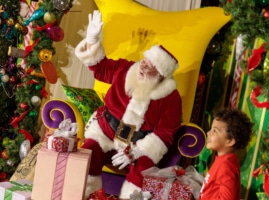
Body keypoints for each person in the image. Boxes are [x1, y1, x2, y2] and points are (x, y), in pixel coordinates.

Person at [74, 10, 182, 198]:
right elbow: (99, 68)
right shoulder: (125, 69)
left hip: (137, 145)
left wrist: (136, 152)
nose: (143, 67)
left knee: (142, 174)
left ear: (161, 77)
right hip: (105, 132)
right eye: (144, 62)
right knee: (87, 156)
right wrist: (91, 40)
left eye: (150, 68)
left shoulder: (171, 98)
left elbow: (164, 134)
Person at [199, 107, 254, 200]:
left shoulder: (226, 166)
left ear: (230, 141)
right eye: (211, 129)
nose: (208, 133)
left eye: (214, 131)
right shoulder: (223, 160)